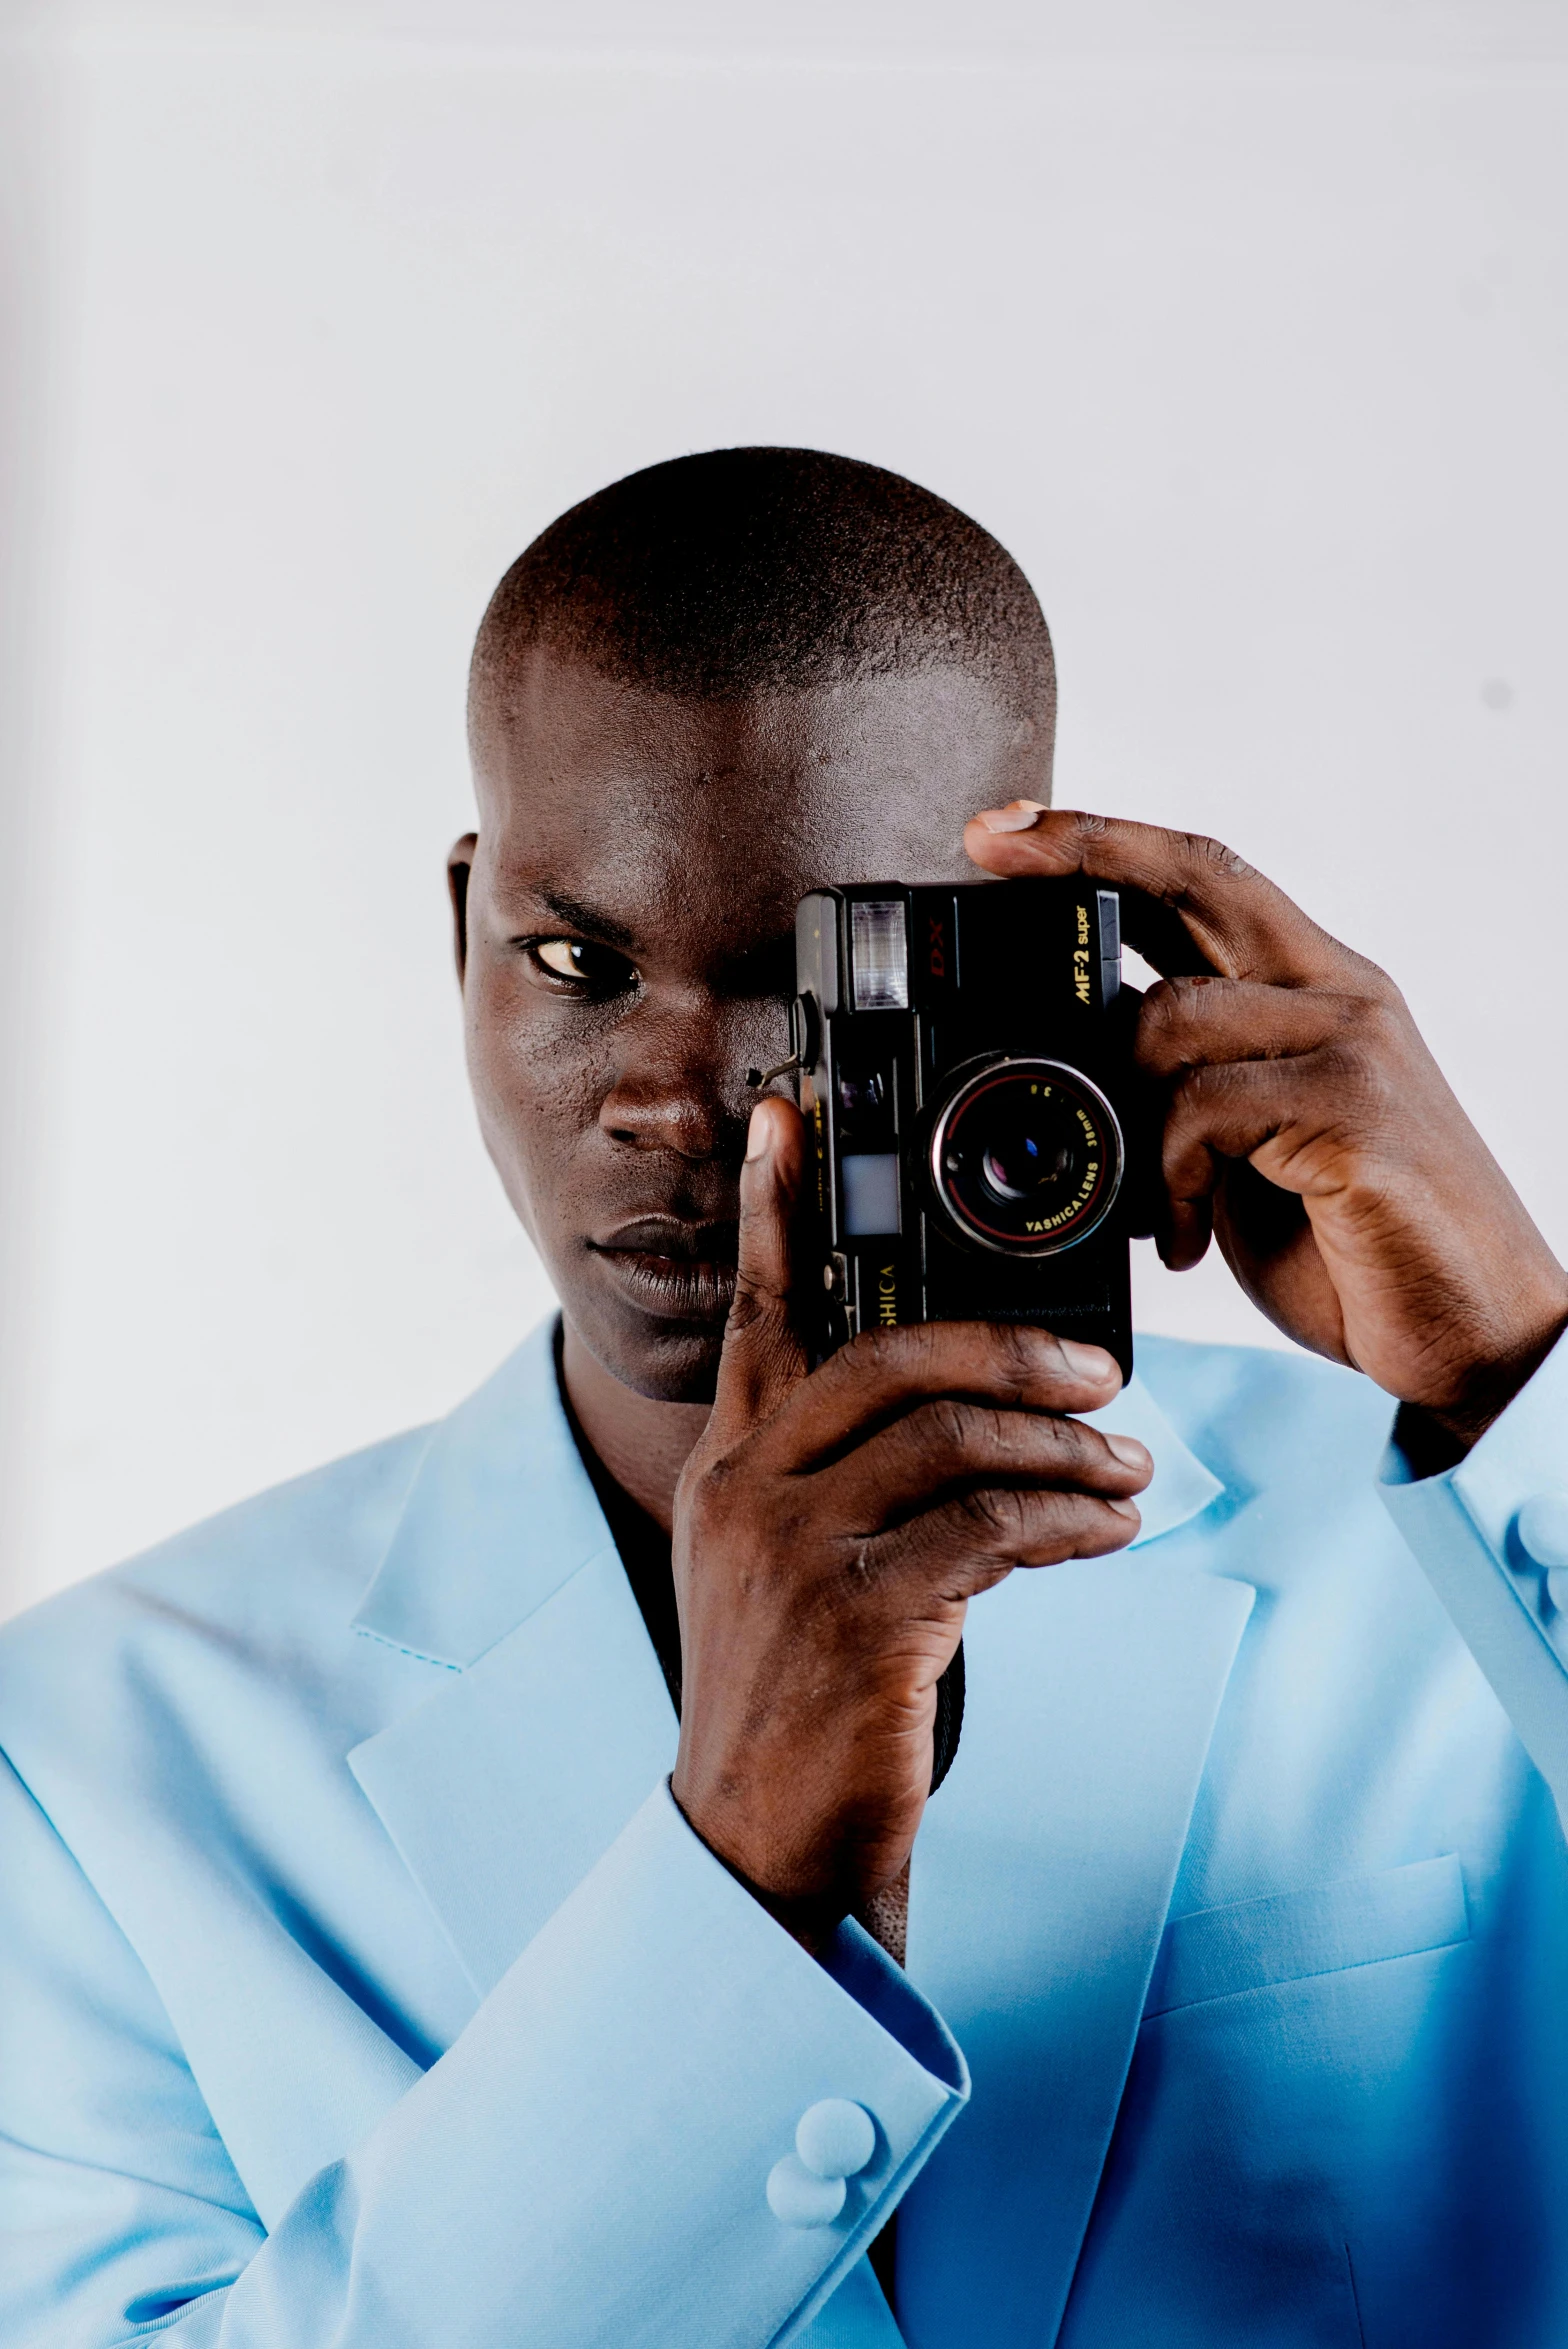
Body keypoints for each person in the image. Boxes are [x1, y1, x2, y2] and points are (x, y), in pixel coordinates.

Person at [3, 447, 1568, 2349]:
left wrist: (1522, 1373)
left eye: (829, 978)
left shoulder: (1463, 1546)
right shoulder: (84, 1765)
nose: (670, 1092)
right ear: (463, 937)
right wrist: (731, 1887)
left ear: (1048, 986)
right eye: (576, 964)